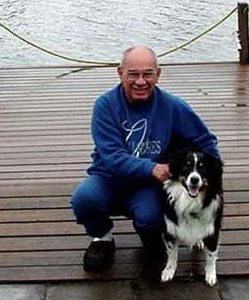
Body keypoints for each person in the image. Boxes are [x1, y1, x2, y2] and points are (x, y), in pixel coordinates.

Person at [70, 45, 220, 272]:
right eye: (133, 74)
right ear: (120, 73)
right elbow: (112, 156)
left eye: (148, 74)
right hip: (109, 178)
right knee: (84, 199)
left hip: (149, 186)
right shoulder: (105, 106)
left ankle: (151, 235)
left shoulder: (173, 106)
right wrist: (151, 167)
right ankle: (102, 238)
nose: (141, 81)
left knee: (153, 217)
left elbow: (204, 140)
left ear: (158, 75)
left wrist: (215, 176)